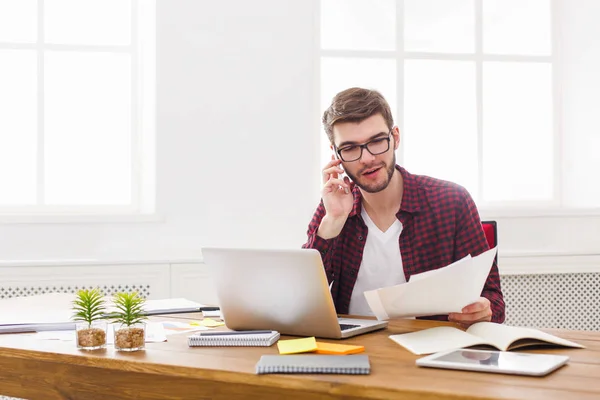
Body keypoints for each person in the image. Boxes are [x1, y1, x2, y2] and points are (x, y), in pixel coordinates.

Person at [302, 87, 505, 326]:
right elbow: (301, 301)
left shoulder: (453, 201)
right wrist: (333, 222)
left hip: (429, 350)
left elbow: (495, 303)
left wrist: (483, 310)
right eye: (350, 148)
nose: (367, 158)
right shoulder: (333, 207)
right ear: (335, 154)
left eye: (377, 141)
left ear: (395, 137)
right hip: (351, 351)